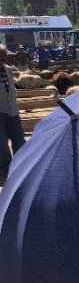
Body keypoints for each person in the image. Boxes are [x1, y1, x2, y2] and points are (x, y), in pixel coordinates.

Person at [0, 45, 23, 185]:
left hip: (12, 111)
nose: (4, 60)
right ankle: (5, 169)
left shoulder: (8, 70)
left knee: (19, 138)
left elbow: (12, 92)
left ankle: (20, 165)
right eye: (1, 58)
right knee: (1, 143)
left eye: (4, 57)